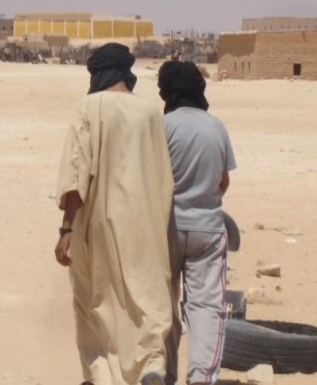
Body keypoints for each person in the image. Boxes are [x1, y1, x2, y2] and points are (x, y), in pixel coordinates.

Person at [55, 42, 175, 385]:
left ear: (98, 73)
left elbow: (77, 175)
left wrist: (66, 230)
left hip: (99, 222)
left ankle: (103, 376)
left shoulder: (87, 108)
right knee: (144, 295)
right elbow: (164, 176)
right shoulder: (152, 113)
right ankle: (151, 365)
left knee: (95, 302)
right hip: (146, 221)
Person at [157, 61, 237, 385]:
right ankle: (201, 377)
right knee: (205, 307)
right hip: (206, 230)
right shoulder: (216, 127)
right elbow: (223, 182)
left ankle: (163, 375)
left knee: (162, 306)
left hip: (164, 229)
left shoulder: (160, 125)